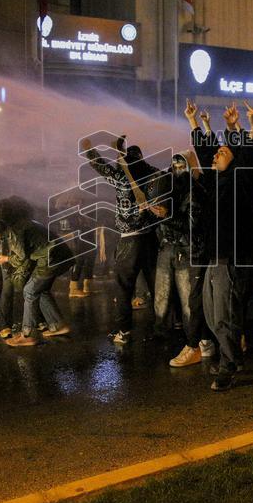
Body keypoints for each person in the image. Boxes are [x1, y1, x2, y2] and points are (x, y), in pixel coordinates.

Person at [186, 99, 253, 391]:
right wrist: (194, 122)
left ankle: (228, 366)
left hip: (229, 256)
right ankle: (235, 356)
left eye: (223, 151)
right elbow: (205, 151)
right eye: (217, 152)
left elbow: (249, 154)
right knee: (210, 312)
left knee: (223, 316)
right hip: (212, 256)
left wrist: (245, 127)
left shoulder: (240, 179)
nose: (216, 154)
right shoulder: (217, 180)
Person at [81, 134, 162, 345]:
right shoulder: (154, 175)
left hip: (130, 240)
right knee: (157, 286)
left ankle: (124, 332)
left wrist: (90, 151)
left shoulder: (121, 177)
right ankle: (166, 326)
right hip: (152, 238)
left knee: (123, 288)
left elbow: (100, 166)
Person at [153, 152, 213, 367]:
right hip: (175, 248)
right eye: (174, 163)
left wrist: (166, 216)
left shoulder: (195, 191)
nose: (177, 167)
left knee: (193, 302)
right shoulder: (171, 188)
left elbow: (192, 224)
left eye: (181, 164)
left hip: (193, 252)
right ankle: (204, 341)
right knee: (186, 300)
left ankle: (193, 346)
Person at [0, 197, 74, 347]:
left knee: (29, 291)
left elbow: (21, 258)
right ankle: (58, 325)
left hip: (51, 259)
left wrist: (5, 259)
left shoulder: (15, 230)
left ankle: (27, 335)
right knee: (40, 290)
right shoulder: (24, 223)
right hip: (58, 256)